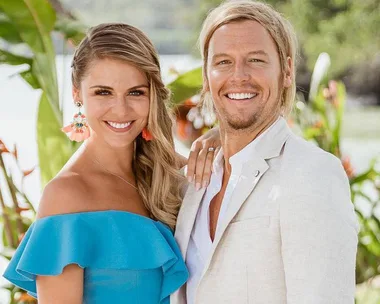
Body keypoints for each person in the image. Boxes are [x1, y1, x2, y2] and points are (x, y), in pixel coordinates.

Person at [3, 23, 218, 304]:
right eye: (103, 92)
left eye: (136, 92)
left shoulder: (169, 173)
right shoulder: (66, 196)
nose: (120, 109)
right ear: (77, 94)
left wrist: (217, 137)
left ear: (152, 94)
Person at [172, 1, 360, 303]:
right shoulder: (193, 182)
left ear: (286, 71)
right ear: (206, 78)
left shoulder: (312, 174)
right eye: (222, 62)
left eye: (256, 60)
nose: (239, 76)